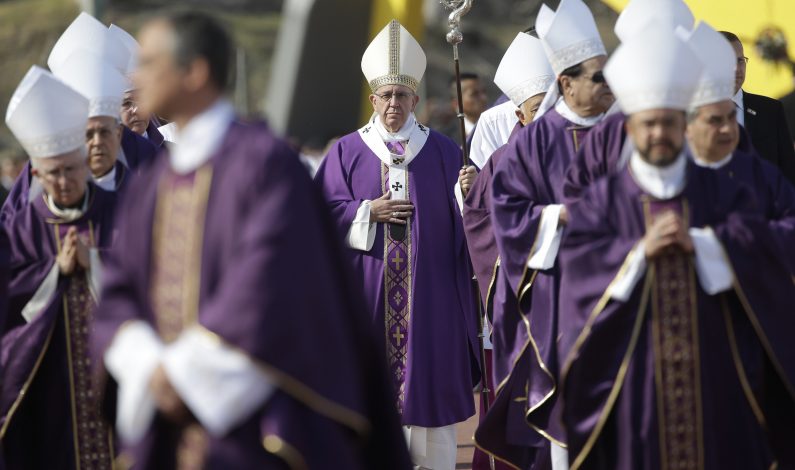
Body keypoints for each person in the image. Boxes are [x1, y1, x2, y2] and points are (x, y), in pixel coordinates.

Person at [90, 12, 410, 469]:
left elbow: (269, 285)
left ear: (194, 72)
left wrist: (181, 376)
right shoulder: (152, 180)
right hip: (167, 422)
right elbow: (120, 288)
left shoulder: (264, 167)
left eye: (149, 62)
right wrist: (146, 367)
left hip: (248, 429)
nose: (137, 76)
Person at [558, 24, 795, 469]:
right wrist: (635, 254)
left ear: (684, 124)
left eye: (670, 122)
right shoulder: (603, 201)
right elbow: (576, 274)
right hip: (635, 380)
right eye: (650, 124)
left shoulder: (726, 191)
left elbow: (768, 243)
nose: (660, 134)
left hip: (718, 375)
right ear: (630, 128)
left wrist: (707, 246)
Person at [316, 19, 480, 469]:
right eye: (386, 96)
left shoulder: (447, 153)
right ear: (373, 99)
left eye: (402, 96)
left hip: (431, 306)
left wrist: (472, 194)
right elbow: (317, 216)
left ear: (415, 100)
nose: (393, 104)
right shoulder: (346, 152)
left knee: (432, 428)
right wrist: (367, 210)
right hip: (366, 301)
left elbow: (471, 226)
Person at [489, 1, 613, 466]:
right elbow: (506, 211)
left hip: (621, 285)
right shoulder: (534, 141)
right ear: (567, 83)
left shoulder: (622, 134)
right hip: (561, 292)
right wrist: (556, 217)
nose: (608, 86)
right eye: (598, 77)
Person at [1, 66, 117, 470]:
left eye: (71, 169)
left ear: (85, 162)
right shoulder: (18, 229)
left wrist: (97, 263)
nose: (64, 181)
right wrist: (55, 271)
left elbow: (149, 280)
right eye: (53, 174)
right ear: (35, 173)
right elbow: (8, 303)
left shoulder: (121, 212)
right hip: (49, 386)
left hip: (116, 384)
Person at [464, 31, 554, 470]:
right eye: (538, 109)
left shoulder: (586, 147)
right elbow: (479, 222)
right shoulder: (501, 159)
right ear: (519, 113)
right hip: (524, 297)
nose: (547, 116)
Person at [721, 30, 795, 183]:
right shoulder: (693, 114)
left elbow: (789, 173)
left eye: (740, 61)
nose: (736, 69)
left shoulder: (770, 110)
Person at [441, 73, 487, 148]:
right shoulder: (446, 139)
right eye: (474, 94)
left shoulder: (497, 126)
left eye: (484, 92)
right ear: (456, 103)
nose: (484, 98)